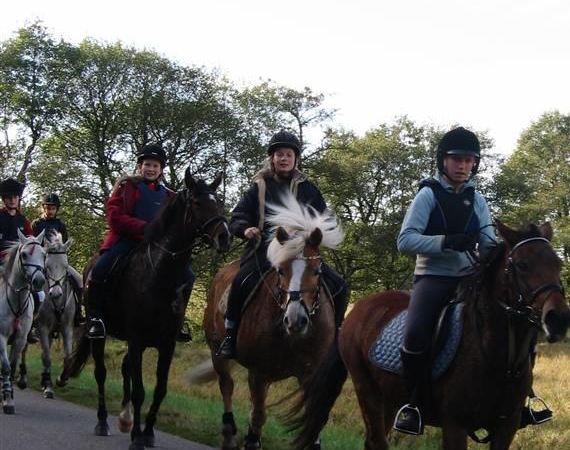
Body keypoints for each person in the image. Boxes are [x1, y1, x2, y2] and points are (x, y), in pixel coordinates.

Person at [393, 127, 498, 435]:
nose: (463, 166)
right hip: (434, 277)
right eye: (457, 160)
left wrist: (494, 250)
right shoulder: (427, 195)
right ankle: (413, 404)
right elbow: (405, 241)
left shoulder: (478, 200)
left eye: (469, 161)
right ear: (443, 161)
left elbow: (488, 243)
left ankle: (514, 401)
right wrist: (446, 242)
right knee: (415, 334)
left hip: (470, 278)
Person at [216, 129, 348, 358]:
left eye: (288, 154)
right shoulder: (259, 186)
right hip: (264, 250)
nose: (284, 158)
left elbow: (323, 214)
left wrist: (315, 233)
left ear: (295, 159)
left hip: (301, 251)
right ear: (272, 158)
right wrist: (245, 229)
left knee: (338, 285)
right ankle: (230, 334)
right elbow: (238, 215)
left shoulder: (308, 188)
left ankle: (336, 337)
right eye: (279, 154)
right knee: (240, 282)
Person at [85, 144, 193, 342]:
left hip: (156, 247)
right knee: (99, 270)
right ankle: (94, 318)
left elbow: (176, 223)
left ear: (161, 170)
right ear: (139, 166)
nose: (151, 169)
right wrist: (142, 227)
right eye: (147, 164)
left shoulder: (170, 195)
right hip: (126, 241)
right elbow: (114, 216)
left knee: (188, 276)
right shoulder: (126, 188)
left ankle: (177, 320)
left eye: (155, 166)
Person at [0, 177, 43, 341]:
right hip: (1, 264)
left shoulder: (23, 221)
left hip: (20, 265)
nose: (12, 200)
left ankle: (29, 326)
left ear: (18, 199)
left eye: (15, 197)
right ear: (4, 199)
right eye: (9, 198)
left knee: (40, 295)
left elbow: (31, 245)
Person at [32, 193, 85, 325]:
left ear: (56, 210)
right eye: (48, 208)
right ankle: (32, 316)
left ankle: (78, 312)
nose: (50, 211)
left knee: (79, 279)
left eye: (53, 208)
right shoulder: (36, 224)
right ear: (43, 208)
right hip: (41, 261)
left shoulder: (60, 225)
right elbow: (32, 245)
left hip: (58, 263)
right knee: (30, 283)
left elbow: (65, 246)